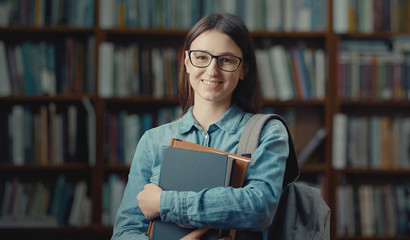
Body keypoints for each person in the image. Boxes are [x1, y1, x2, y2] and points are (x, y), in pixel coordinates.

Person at [111, 13, 288, 240]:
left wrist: (164, 203)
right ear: (186, 62)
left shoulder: (268, 132)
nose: (212, 70)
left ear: (243, 69)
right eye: (201, 57)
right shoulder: (153, 141)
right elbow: (124, 233)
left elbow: (259, 208)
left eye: (226, 60)